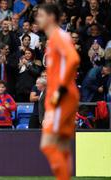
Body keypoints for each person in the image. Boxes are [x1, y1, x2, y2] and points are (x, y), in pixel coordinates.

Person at [36, 4, 80, 180]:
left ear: (51, 17)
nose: (37, 18)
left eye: (41, 15)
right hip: (66, 96)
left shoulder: (57, 37)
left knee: (47, 145)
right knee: (62, 146)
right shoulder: (57, 37)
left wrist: (60, 89)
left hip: (61, 97)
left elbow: (74, 58)